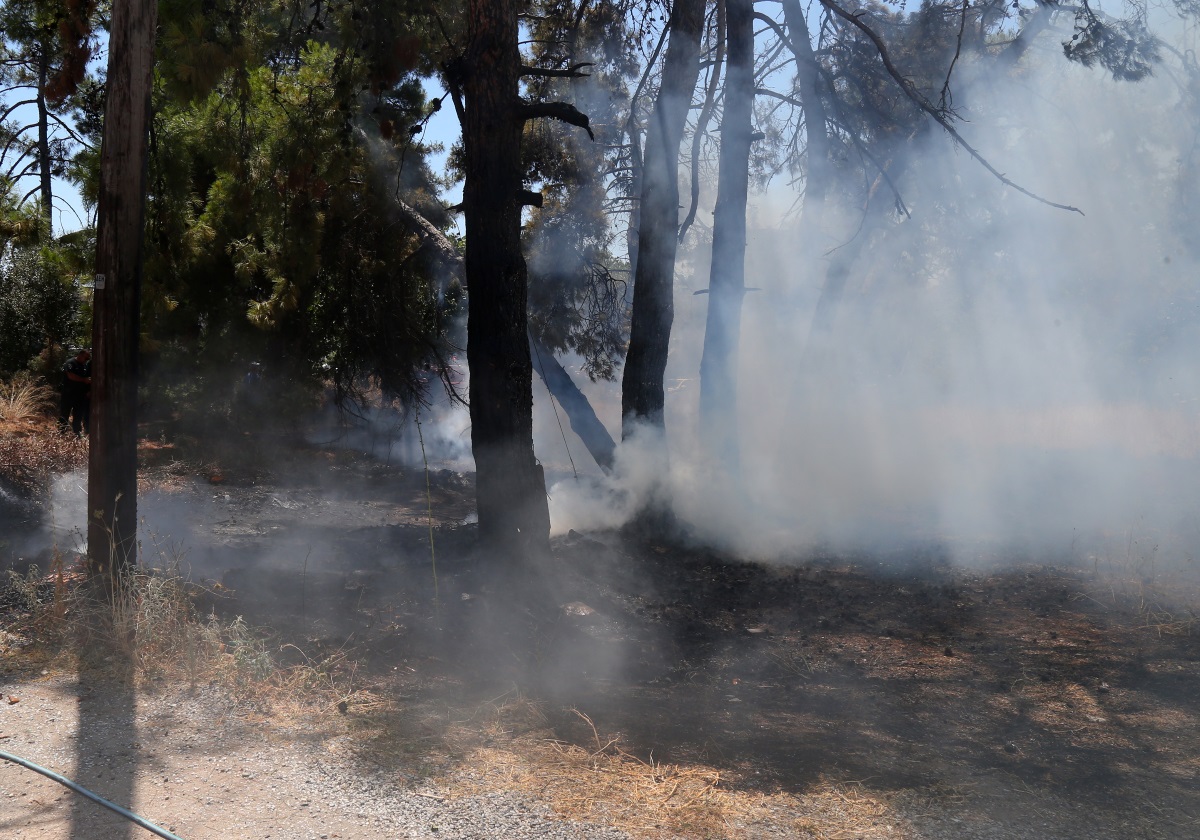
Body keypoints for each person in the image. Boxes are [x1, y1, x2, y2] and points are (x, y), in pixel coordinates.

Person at [59, 348, 91, 436]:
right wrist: (84, 380)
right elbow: (71, 376)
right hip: (68, 394)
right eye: (86, 358)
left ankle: (77, 433)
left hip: (80, 395)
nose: (87, 360)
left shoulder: (84, 366)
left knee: (78, 415)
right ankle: (62, 432)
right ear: (80, 355)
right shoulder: (71, 363)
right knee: (65, 413)